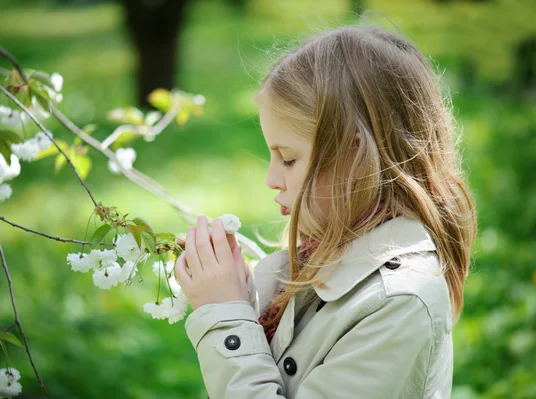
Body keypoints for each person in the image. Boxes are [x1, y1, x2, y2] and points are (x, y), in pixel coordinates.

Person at [174, 24, 477, 399]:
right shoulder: (319, 258)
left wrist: (227, 318)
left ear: (354, 156)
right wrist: (245, 299)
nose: (271, 179)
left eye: (288, 159)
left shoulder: (398, 301)